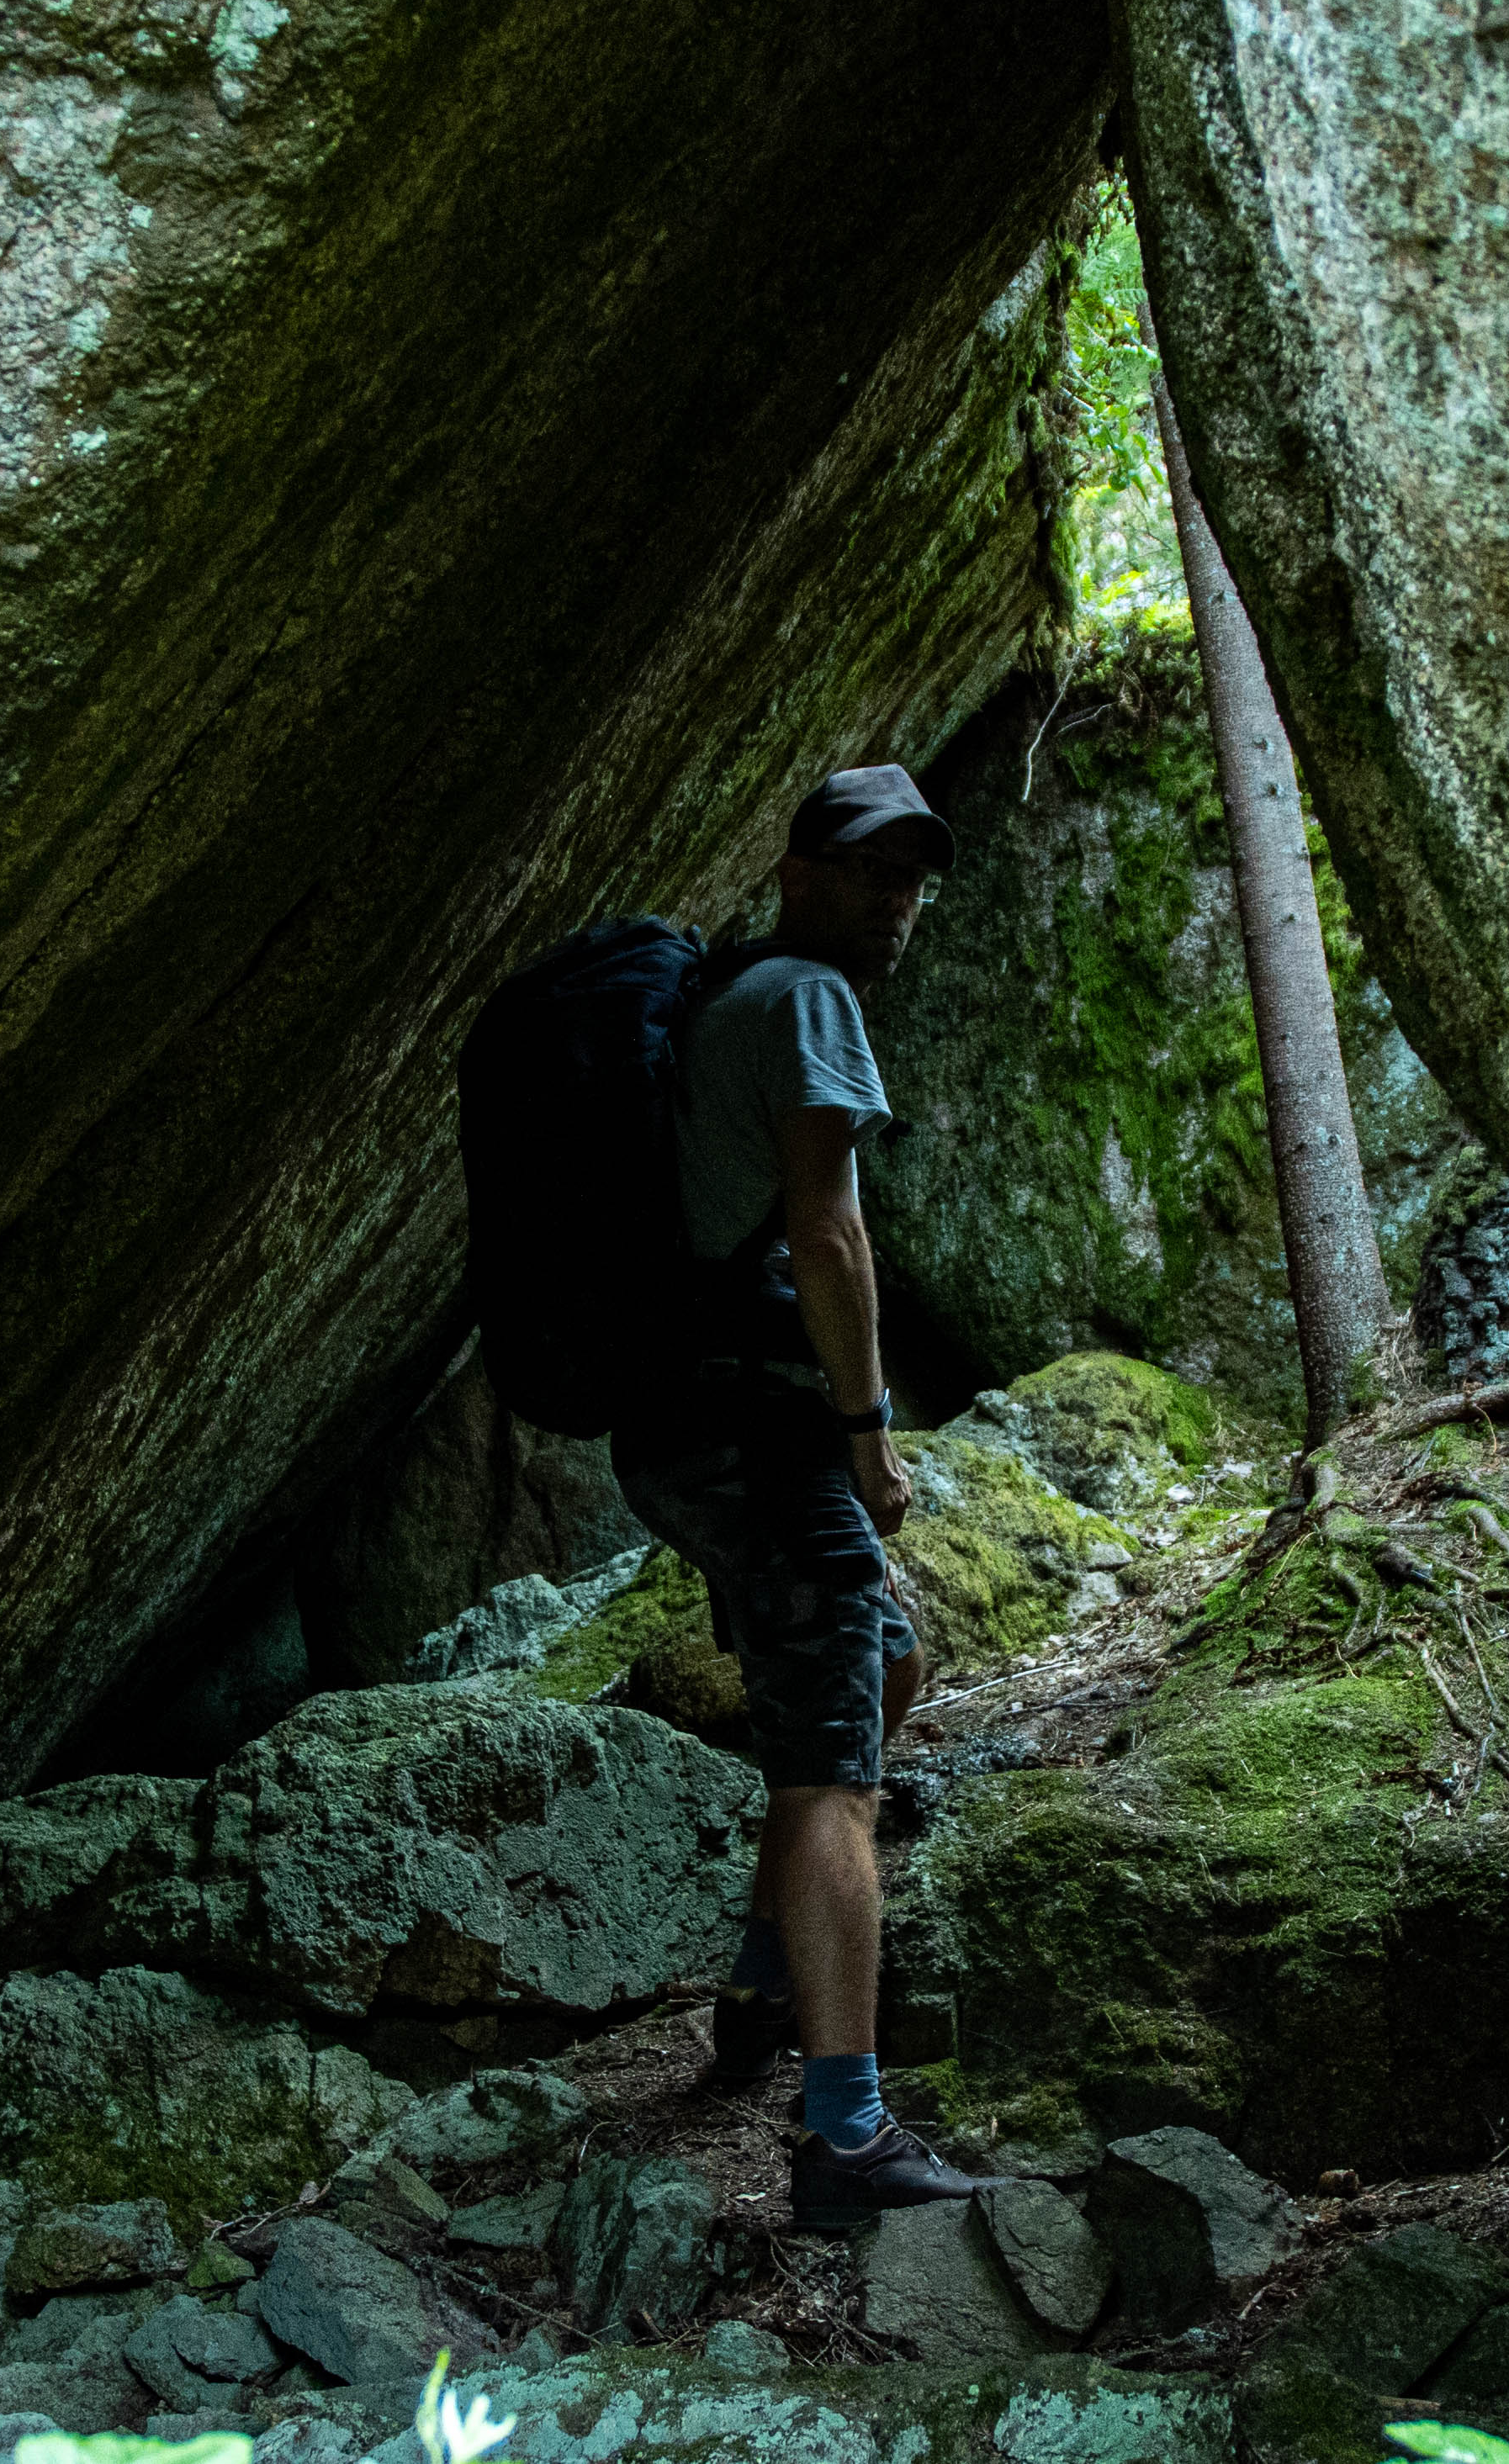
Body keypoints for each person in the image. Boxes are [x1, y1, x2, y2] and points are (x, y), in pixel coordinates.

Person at [611, 763, 991, 2219]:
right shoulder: (809, 1001)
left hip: (677, 1423)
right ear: (799, 870)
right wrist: (867, 1436)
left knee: (880, 1661)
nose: (898, 897)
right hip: (755, 1431)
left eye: (916, 873)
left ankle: (766, 1983)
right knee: (835, 1758)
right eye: (872, 868)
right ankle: (845, 2132)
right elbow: (831, 1240)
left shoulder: (724, 996)